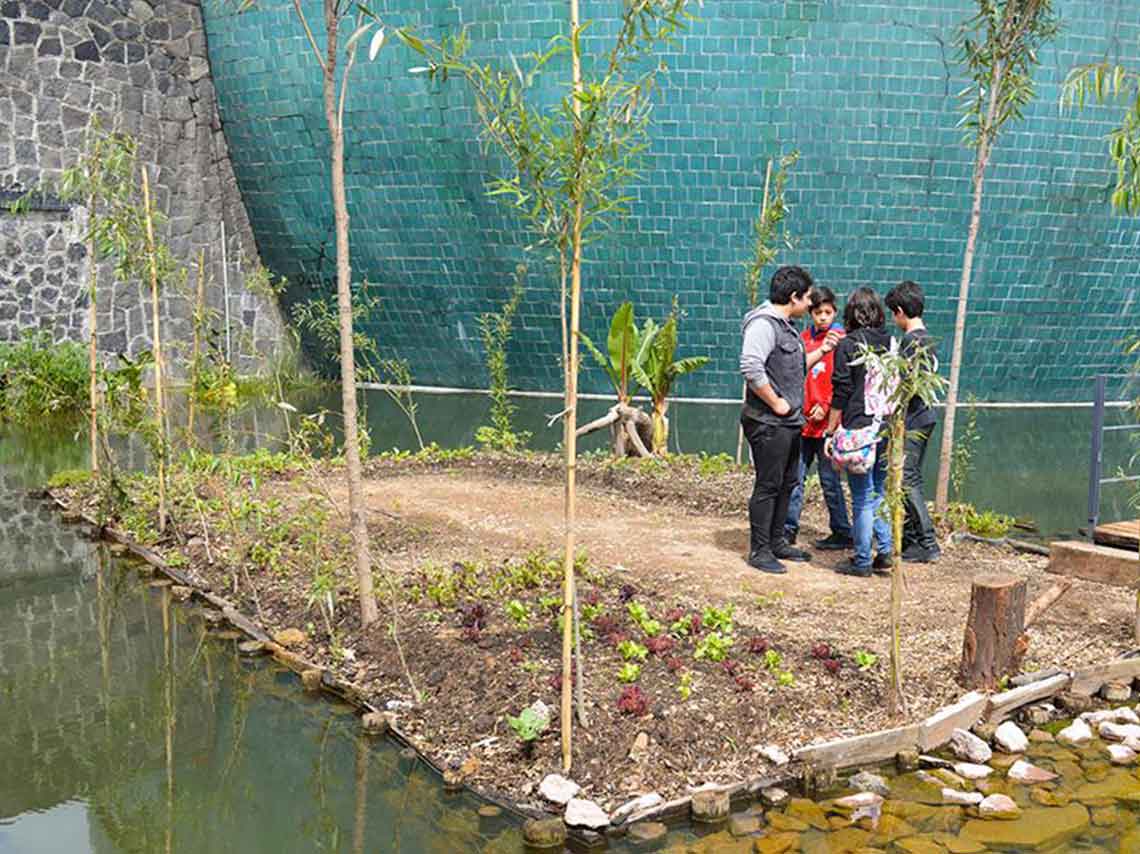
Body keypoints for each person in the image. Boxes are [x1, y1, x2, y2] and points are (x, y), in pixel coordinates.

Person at [739, 265, 839, 574]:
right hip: (769, 422)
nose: (810, 304)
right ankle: (760, 550)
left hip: (788, 422)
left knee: (788, 481)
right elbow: (751, 366)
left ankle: (777, 541)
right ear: (793, 297)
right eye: (807, 298)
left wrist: (822, 351)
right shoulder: (763, 324)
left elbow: (793, 366)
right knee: (769, 484)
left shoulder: (786, 325)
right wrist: (777, 402)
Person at [826, 287, 893, 577]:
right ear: (878, 313)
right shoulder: (891, 342)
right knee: (878, 491)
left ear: (851, 314)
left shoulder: (847, 344)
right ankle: (886, 551)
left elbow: (840, 390)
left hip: (859, 429)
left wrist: (830, 431)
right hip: (887, 426)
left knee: (862, 496)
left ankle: (863, 559)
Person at [783, 287, 852, 550]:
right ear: (810, 313)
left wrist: (825, 406)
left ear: (835, 312)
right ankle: (788, 529)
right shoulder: (802, 339)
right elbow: (795, 374)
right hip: (802, 423)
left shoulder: (841, 340)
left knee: (830, 481)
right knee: (795, 479)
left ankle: (842, 531)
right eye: (818, 312)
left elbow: (843, 381)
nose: (823, 317)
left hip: (827, 426)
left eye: (828, 312)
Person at [885, 280, 942, 562]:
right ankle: (910, 538)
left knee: (907, 478)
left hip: (915, 417)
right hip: (926, 415)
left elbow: (908, 385)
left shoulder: (910, 341)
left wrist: (894, 415)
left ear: (899, 311)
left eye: (893, 314)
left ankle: (927, 543)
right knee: (911, 476)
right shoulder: (927, 337)